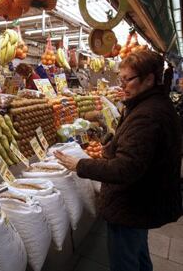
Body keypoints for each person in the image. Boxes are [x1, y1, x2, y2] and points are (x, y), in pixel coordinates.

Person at [55, 49, 182, 271]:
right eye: (120, 79)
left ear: (149, 79)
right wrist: (114, 144)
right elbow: (139, 149)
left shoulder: (147, 115)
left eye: (127, 79)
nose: (122, 85)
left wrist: (80, 165)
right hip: (143, 202)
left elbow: (125, 168)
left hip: (132, 205)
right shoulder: (151, 105)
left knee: (125, 261)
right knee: (139, 253)